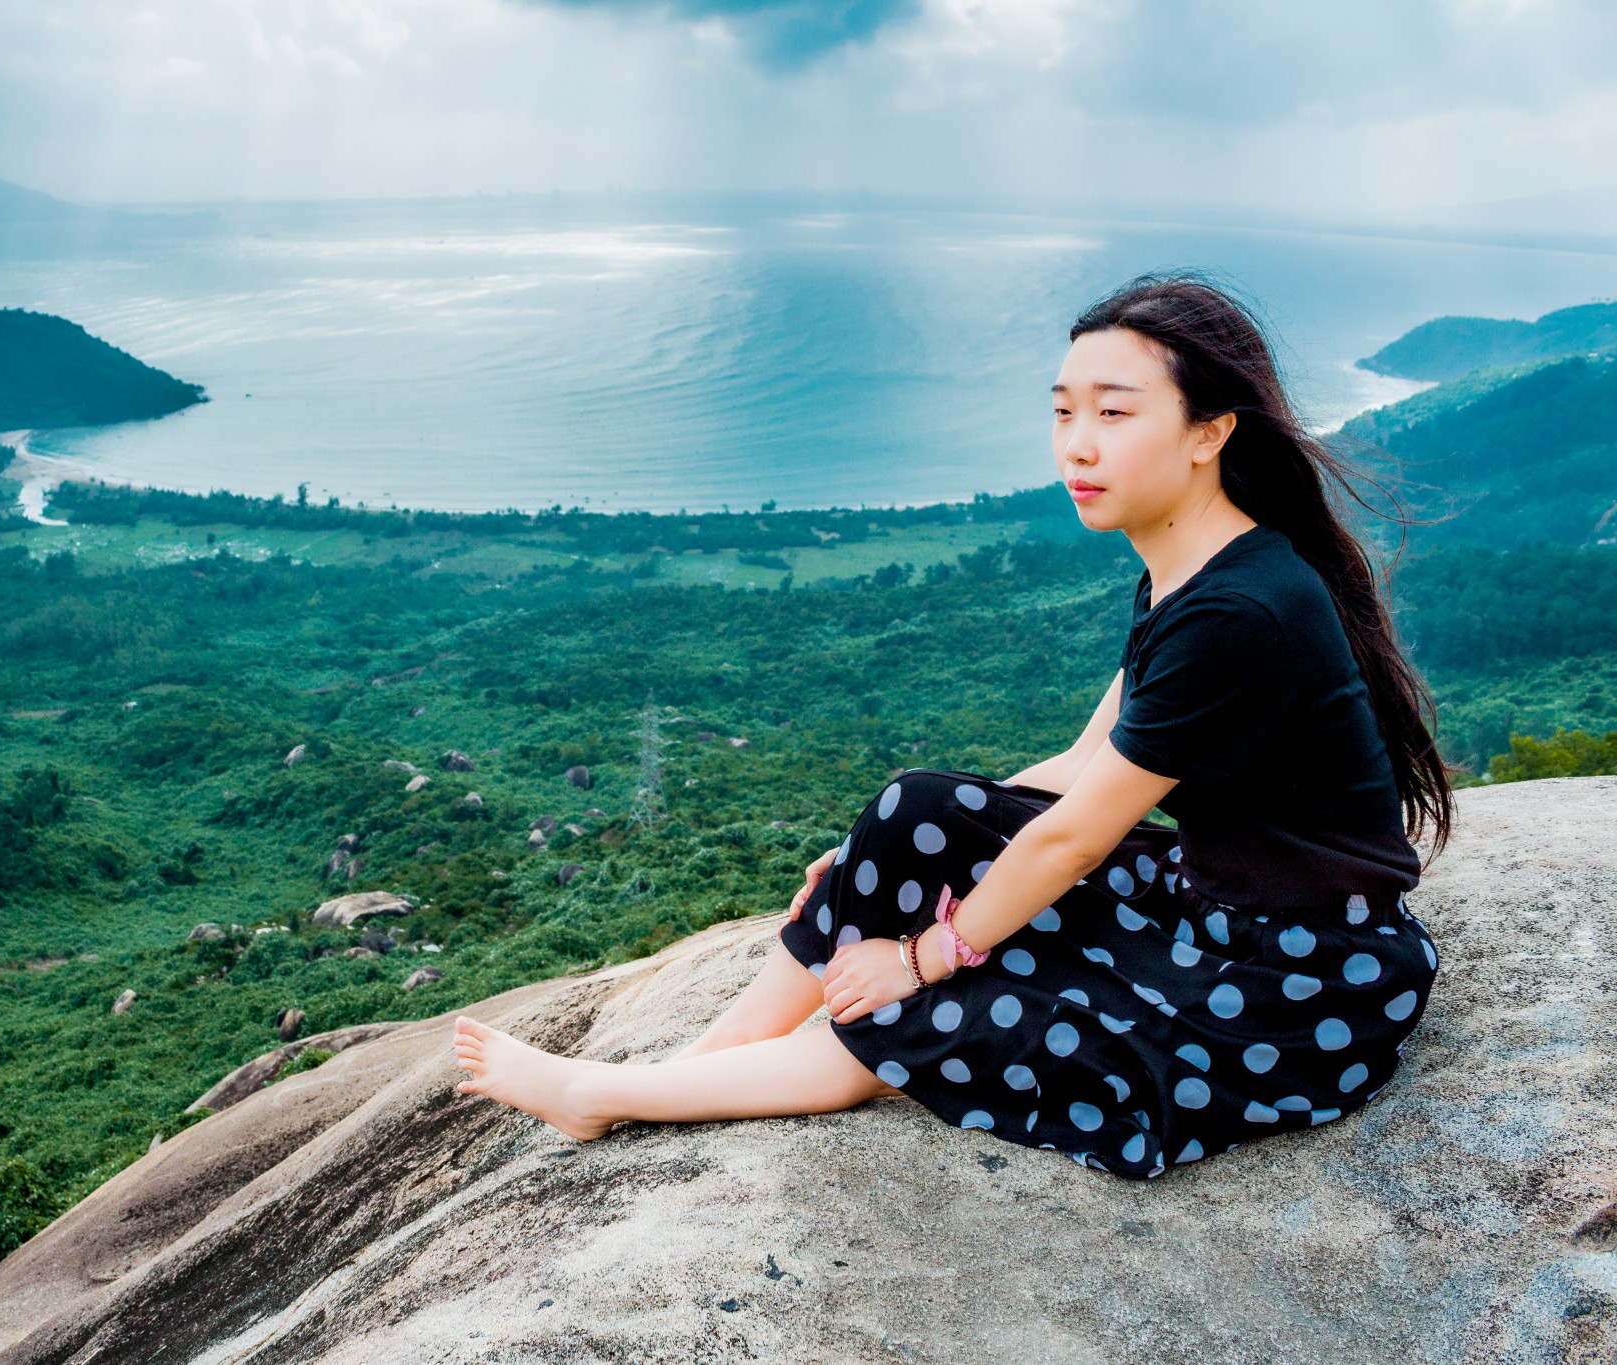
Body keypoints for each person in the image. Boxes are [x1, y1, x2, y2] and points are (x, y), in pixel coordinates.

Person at [449, 271, 1455, 1178]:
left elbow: (1069, 835)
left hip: (1293, 983)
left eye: (1112, 412)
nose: (1076, 444)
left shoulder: (1238, 611)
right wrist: (865, 866)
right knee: (911, 813)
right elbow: (1073, 769)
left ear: (1208, 431)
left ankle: (605, 1097)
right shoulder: (1193, 567)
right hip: (1204, 912)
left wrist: (923, 951)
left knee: (939, 1006)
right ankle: (704, 1069)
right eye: (1063, 412)